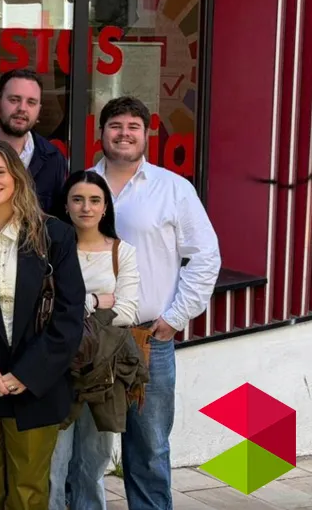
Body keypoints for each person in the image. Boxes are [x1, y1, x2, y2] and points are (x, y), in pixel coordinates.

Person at [90, 96, 220, 510]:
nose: (124, 133)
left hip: (149, 338)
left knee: (147, 447)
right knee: (85, 452)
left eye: (133, 126)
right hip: (88, 338)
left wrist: (176, 316)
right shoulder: (82, 186)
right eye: (116, 125)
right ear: (101, 131)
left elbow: (205, 255)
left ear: (146, 134)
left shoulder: (173, 188)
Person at [0, 140, 85, 510]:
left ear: (17, 178)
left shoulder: (54, 235)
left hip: (36, 384)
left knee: (29, 493)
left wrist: (28, 373)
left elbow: (69, 315)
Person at [49, 170, 141, 510]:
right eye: (77, 199)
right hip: (56, 368)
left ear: (105, 208)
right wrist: (94, 300)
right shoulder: (52, 248)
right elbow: (45, 308)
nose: (85, 207)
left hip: (104, 371)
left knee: (94, 460)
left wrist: (71, 305)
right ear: (66, 205)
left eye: (94, 200)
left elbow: (127, 312)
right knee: (53, 462)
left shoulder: (122, 252)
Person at [0, 69, 68, 211]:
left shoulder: (53, 159)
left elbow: (57, 221)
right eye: (14, 100)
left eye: (31, 102)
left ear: (39, 109)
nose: (22, 108)